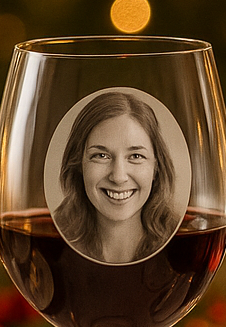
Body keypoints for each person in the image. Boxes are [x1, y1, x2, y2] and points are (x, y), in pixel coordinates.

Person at [54, 91, 178, 264]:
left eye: (135, 156)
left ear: (156, 167)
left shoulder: (182, 251)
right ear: (79, 164)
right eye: (101, 156)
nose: (118, 177)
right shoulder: (52, 248)